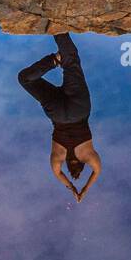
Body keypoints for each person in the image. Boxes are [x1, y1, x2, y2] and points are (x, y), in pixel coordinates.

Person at [18, 33, 101, 201]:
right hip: (58, 115)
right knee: (25, 79)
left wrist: (83, 190)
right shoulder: (58, 159)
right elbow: (58, 174)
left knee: (72, 63)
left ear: (82, 165)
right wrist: (71, 187)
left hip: (79, 111)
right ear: (69, 168)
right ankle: (55, 60)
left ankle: (59, 30)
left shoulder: (88, 156)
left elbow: (96, 172)